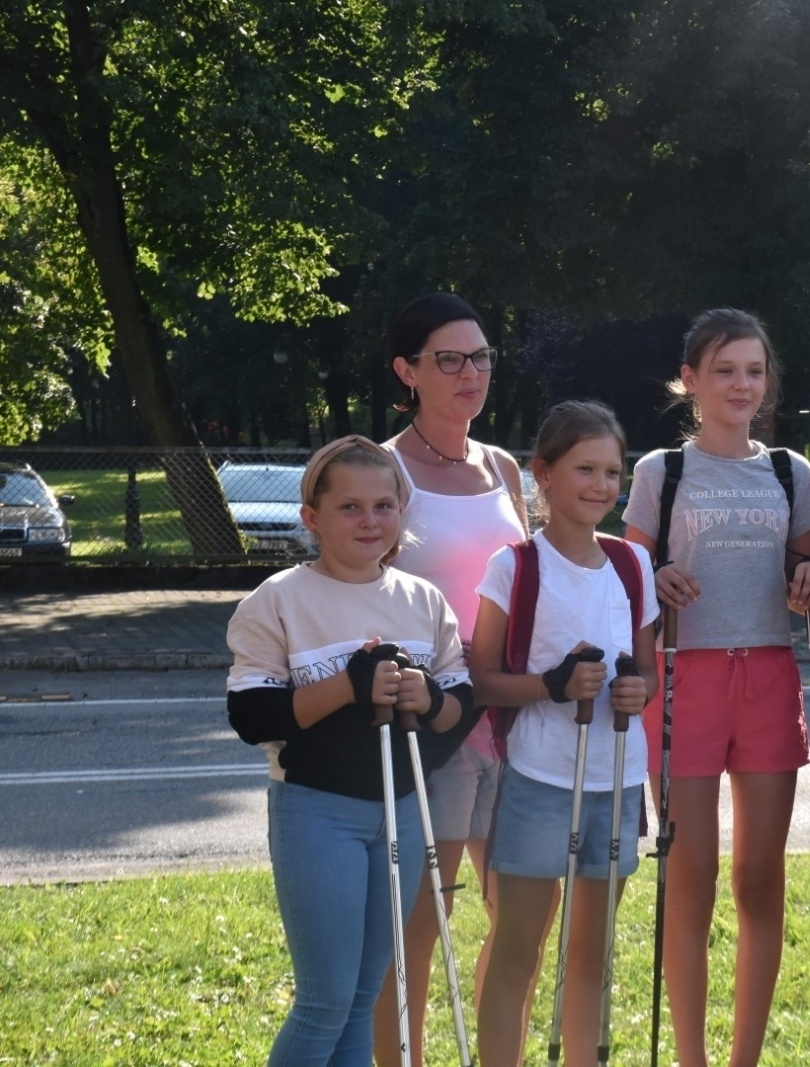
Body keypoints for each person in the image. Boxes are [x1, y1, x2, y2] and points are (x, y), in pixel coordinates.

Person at [225, 436, 476, 1066]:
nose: (370, 521)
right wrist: (348, 685)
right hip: (317, 810)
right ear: (312, 518)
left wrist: (427, 696)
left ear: (401, 513)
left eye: (384, 506)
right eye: (350, 508)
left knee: (365, 998)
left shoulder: (423, 599)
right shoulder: (278, 599)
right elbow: (253, 716)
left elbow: (461, 708)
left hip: (402, 809)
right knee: (325, 1001)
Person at [622, 308, 810, 1067]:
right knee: (690, 878)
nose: (742, 385)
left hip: (769, 673)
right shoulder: (660, 471)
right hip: (685, 677)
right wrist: (654, 575)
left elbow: (806, 571)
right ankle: (691, 1058)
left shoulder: (790, 471)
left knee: (759, 880)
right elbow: (626, 576)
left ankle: (743, 1057)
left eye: (754, 371)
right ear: (690, 381)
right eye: (724, 371)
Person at [472, 400, 659, 1067]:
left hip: (617, 777)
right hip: (539, 777)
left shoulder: (633, 564)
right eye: (585, 468)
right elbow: (482, 679)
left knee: (592, 952)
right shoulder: (515, 566)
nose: (602, 485)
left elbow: (647, 671)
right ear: (543, 474)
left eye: (613, 471)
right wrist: (552, 685)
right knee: (518, 948)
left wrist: (638, 689)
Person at [376, 293, 532, 1067]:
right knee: (417, 927)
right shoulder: (383, 467)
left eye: (481, 357)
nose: (471, 373)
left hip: (510, 717)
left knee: (522, 916)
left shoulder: (502, 466)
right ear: (407, 371)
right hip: (430, 724)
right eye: (449, 359)